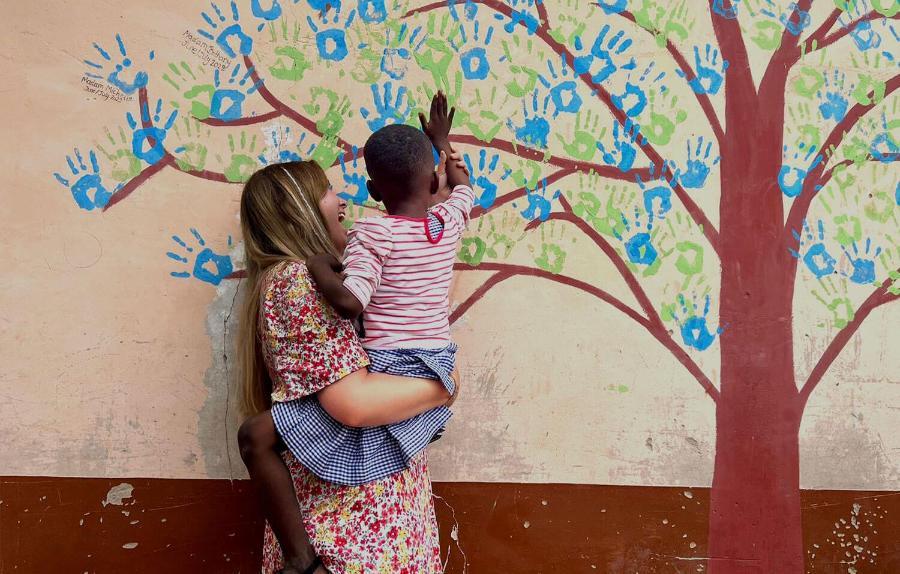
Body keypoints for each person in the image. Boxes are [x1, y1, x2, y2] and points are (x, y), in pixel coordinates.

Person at [236, 135, 470, 572]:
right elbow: (354, 405)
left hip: (369, 521)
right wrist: (445, 386)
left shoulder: (318, 277)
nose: (342, 199)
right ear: (298, 210)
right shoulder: (300, 280)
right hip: (354, 531)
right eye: (326, 190)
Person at [304, 91, 474, 484]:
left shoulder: (372, 232)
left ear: (373, 191)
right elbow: (463, 186)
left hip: (388, 363)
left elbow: (350, 303)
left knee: (346, 442)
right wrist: (442, 142)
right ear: (434, 182)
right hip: (436, 359)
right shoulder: (447, 224)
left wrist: (317, 264)